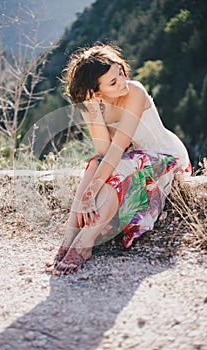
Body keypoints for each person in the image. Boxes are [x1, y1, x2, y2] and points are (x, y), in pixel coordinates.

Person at [45, 44, 191, 275]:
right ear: (96, 92)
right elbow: (104, 150)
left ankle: (85, 244)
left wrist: (91, 193)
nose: (122, 81)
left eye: (120, 73)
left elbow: (117, 149)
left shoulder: (135, 92)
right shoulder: (90, 103)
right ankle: (68, 238)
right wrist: (93, 112)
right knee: (95, 164)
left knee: (123, 163)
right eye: (113, 82)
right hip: (130, 159)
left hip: (165, 158)